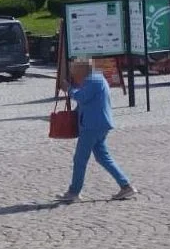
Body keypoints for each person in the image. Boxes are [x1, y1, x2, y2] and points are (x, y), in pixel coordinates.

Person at [56, 58, 137, 203]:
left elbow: (81, 97)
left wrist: (68, 88)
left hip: (92, 126)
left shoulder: (93, 81)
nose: (73, 75)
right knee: (102, 157)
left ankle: (74, 192)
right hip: (98, 124)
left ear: (82, 71)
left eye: (74, 72)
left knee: (80, 159)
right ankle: (126, 186)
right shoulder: (95, 79)